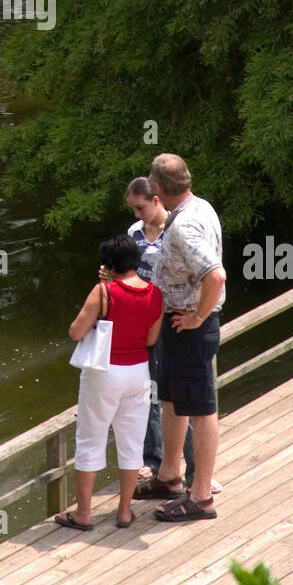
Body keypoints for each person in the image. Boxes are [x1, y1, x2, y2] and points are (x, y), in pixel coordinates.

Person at [137, 153, 226, 522]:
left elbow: (216, 275)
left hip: (189, 327)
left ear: (157, 189)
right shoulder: (200, 205)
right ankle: (169, 475)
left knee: (202, 409)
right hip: (177, 325)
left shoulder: (185, 224)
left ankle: (201, 497)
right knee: (172, 400)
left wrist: (197, 316)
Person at [56, 234, 163, 531]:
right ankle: (125, 511)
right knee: (131, 444)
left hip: (104, 372)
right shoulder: (156, 293)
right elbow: (152, 339)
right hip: (138, 372)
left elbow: (76, 332)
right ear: (136, 260)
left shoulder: (104, 291)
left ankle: (84, 513)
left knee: (90, 440)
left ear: (109, 265)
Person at [122, 178, 195, 489]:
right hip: (144, 321)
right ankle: (153, 460)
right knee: (149, 392)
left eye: (140, 207)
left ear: (156, 200)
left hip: (174, 319)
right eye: (132, 209)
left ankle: (195, 468)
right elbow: (129, 275)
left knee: (181, 396)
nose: (137, 214)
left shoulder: (177, 231)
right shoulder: (133, 234)